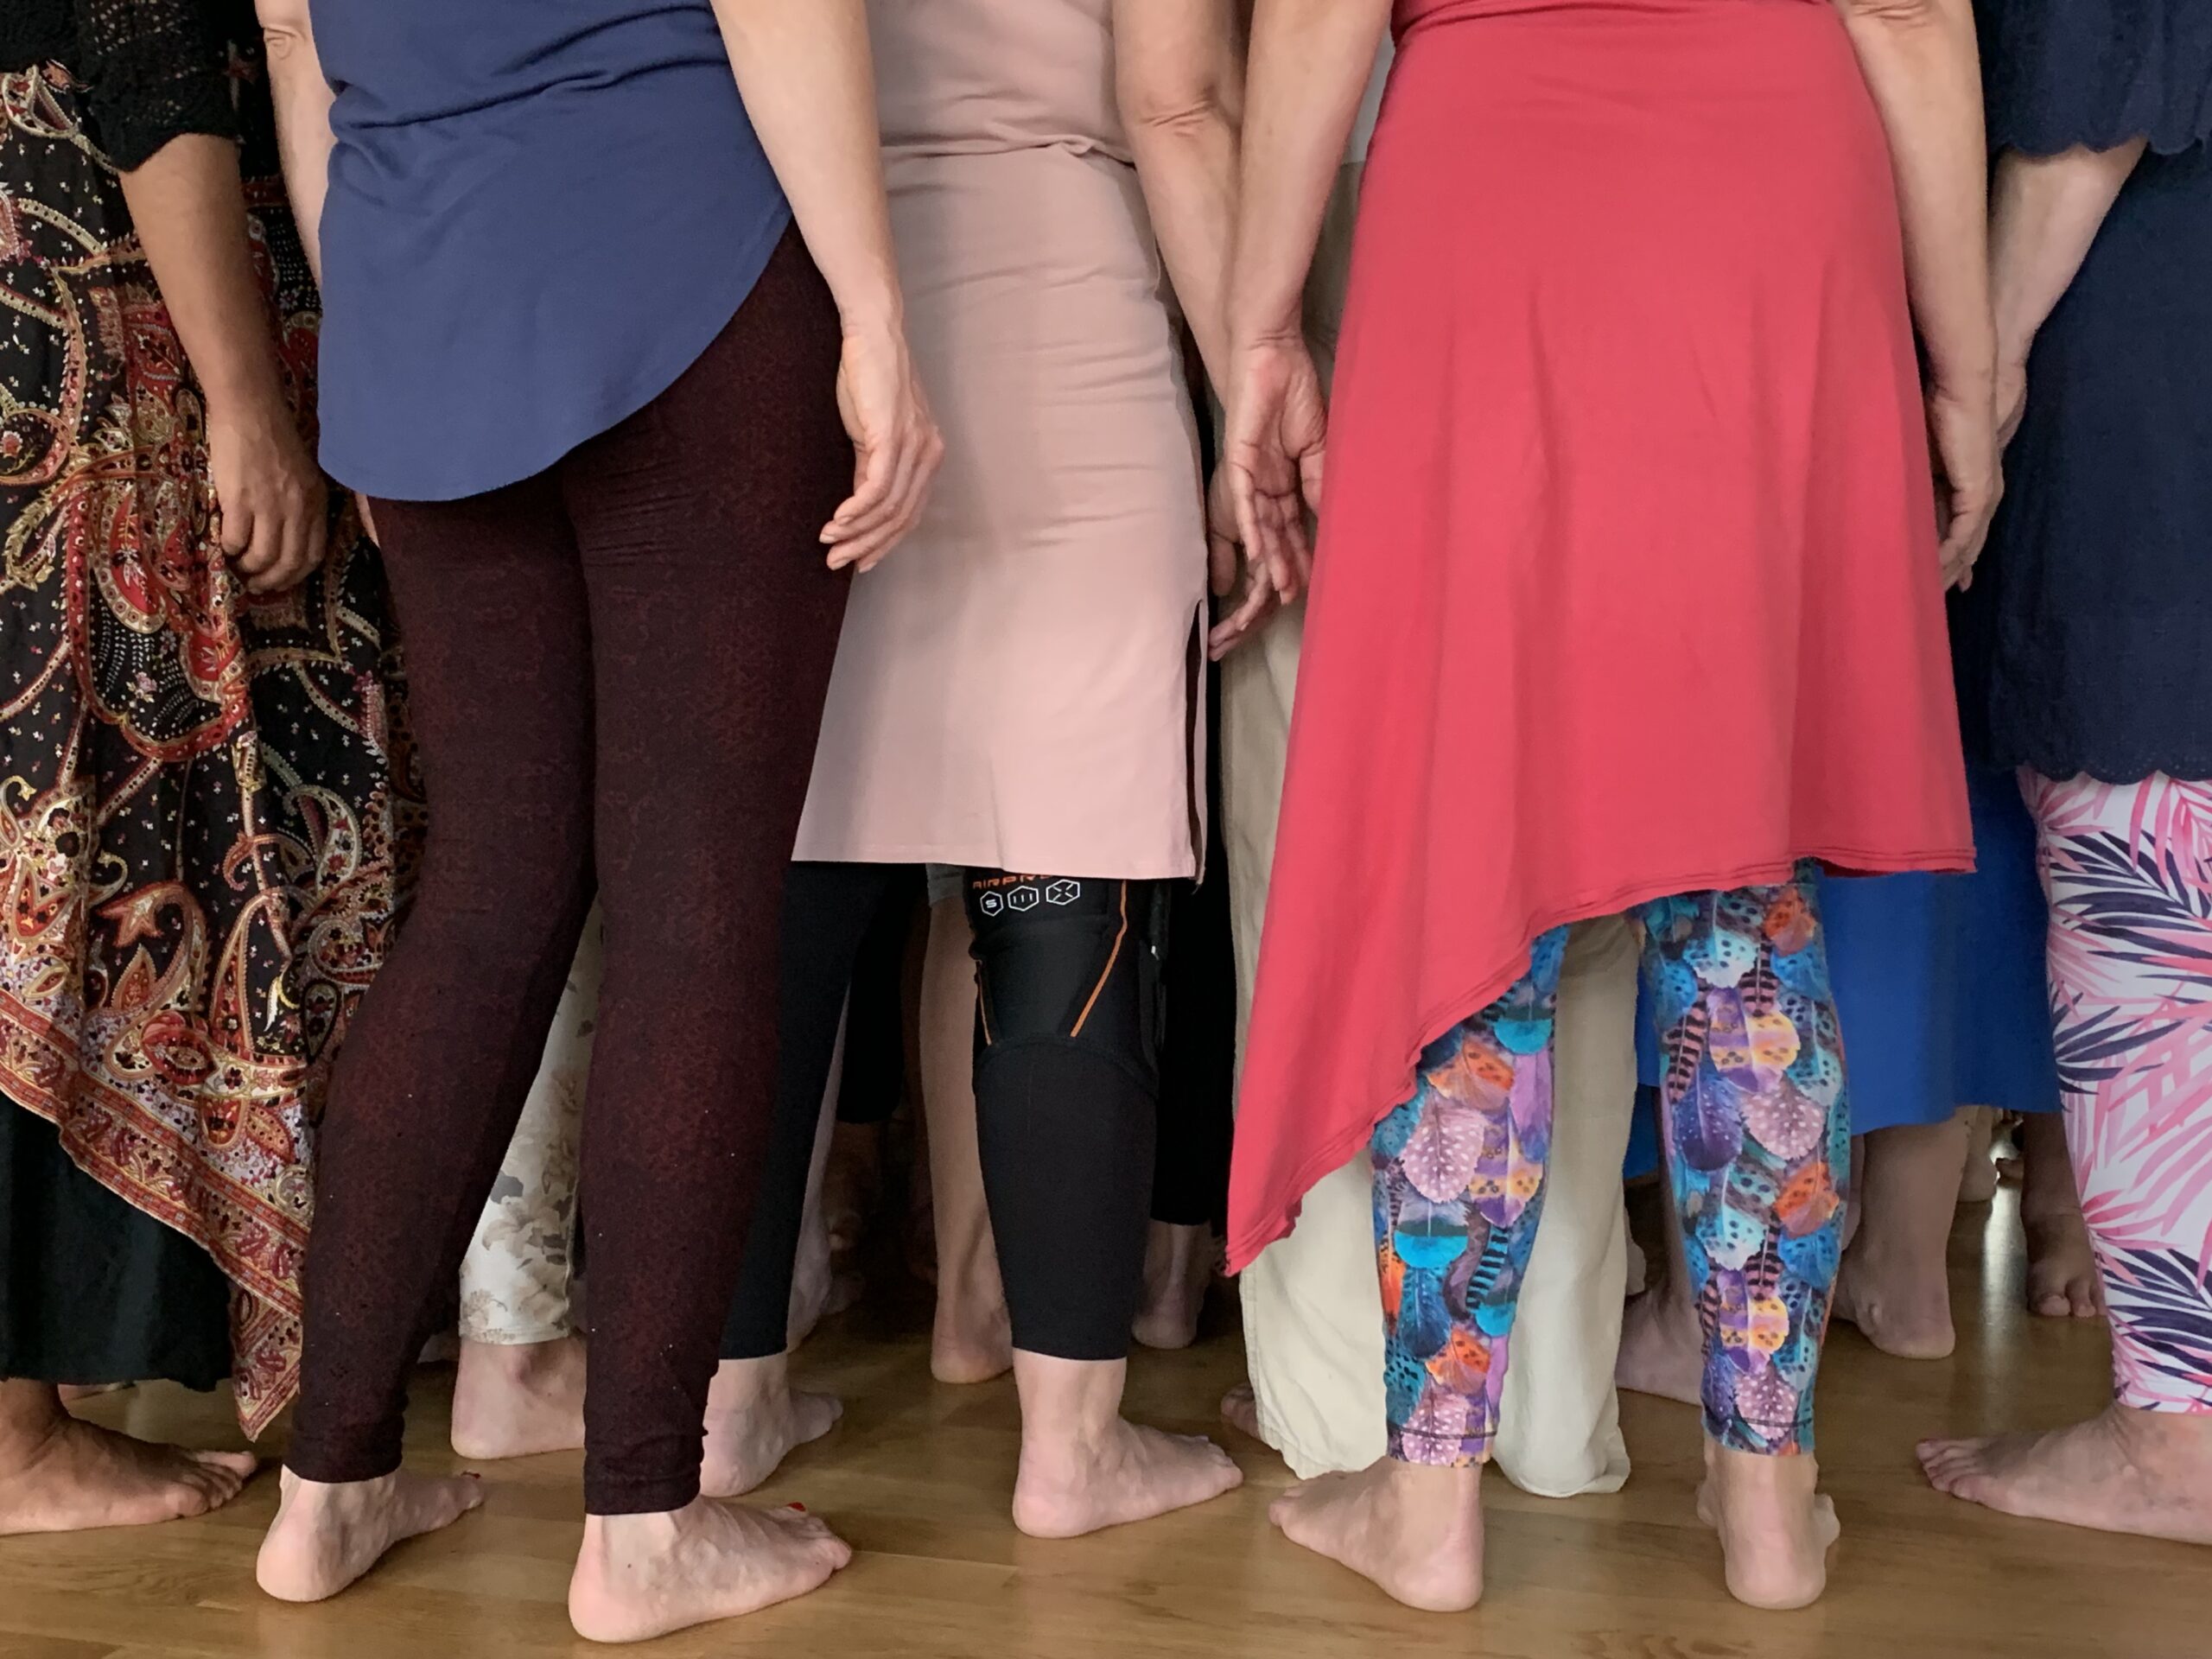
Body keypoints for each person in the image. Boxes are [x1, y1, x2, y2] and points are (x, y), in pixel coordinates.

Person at [1224, 0, 1996, 1613]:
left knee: (1471, 843)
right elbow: (1910, 11)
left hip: (1491, 196)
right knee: (1742, 884)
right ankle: (1770, 1502)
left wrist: (1262, 330)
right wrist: (1965, 367)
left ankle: (1430, 1504)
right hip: (1773, 190)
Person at [248, 0, 941, 1640]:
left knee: (485, 902)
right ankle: (643, 1524)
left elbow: (290, 33)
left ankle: (326, 1488)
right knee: (697, 906)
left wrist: (382, 352)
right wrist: (877, 312)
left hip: (418, 287)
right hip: (683, 259)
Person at [786, 0, 1248, 1538]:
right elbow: (1178, 107)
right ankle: (1070, 1448)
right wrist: (1255, 401)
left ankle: (721, 1405)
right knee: (1064, 889)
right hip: (1069, 316)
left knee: (783, 901)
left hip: (807, 323)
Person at [0, 0, 408, 1534]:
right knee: (77, 876)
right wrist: (247, 403)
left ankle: (44, 1393)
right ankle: (15, 1438)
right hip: (98, 323)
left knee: (56, 870)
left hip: (48, 292)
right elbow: (146, 58)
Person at [1219, 42, 1643, 1503]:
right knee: (1581, 849)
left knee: (1329, 845)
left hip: (1352, 191)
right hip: (1649, 186)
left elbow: (1194, 88)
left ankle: (1349, 1409)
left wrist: (1249, 335)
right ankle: (1553, 1408)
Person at [1919, 0, 2212, 1545]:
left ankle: (2178, 1442)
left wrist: (1979, 360)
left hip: (2157, 322)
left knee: (2147, 875)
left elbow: (2098, 86)